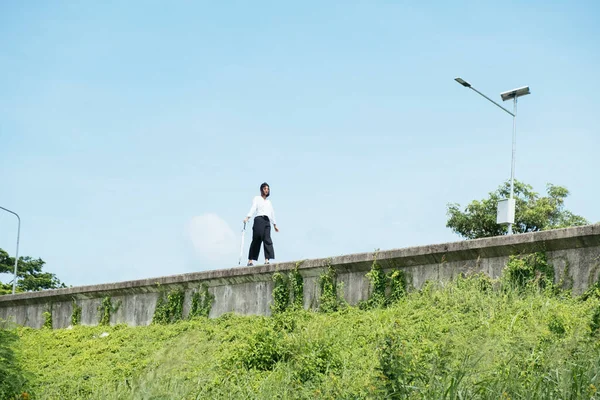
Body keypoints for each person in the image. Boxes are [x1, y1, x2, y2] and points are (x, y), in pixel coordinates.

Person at [244, 182, 279, 266]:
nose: (266, 190)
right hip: (259, 219)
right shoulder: (257, 198)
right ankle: (250, 260)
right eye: (265, 189)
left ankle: (267, 259)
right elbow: (253, 208)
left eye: (268, 189)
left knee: (267, 239)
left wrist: (275, 225)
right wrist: (247, 217)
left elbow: (272, 213)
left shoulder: (269, 202)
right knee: (256, 239)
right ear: (261, 190)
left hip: (267, 221)